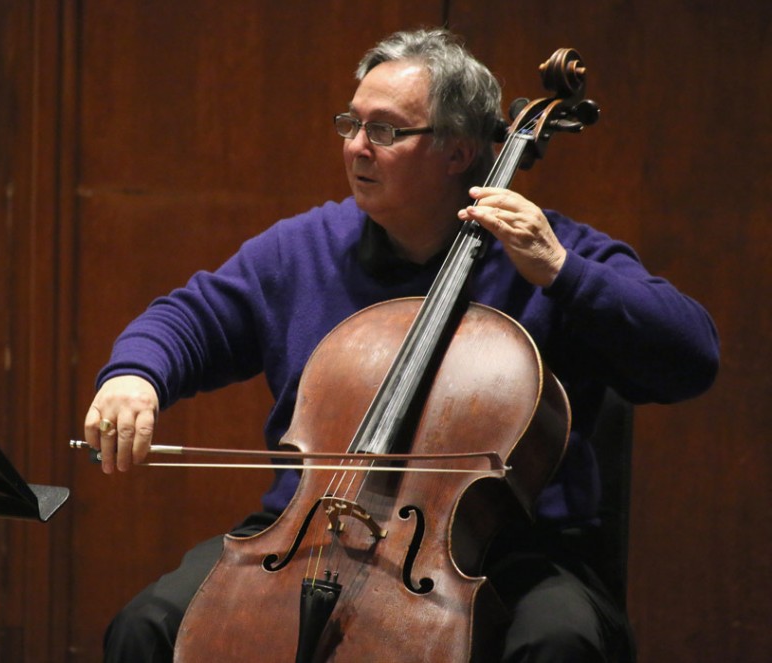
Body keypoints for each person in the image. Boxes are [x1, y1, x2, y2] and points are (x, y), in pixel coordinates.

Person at [83, 27, 719, 662]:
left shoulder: (550, 250)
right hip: (311, 534)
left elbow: (691, 356)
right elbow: (188, 319)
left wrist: (562, 272)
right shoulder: (306, 247)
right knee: (147, 626)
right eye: (350, 124)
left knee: (559, 642)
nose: (357, 148)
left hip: (508, 553)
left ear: (458, 152)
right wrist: (134, 376)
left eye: (385, 131)